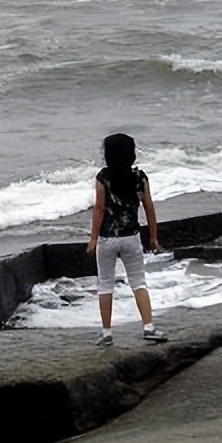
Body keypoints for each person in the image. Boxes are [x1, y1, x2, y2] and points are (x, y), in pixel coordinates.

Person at [85, 133, 168, 346]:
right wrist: (154, 237)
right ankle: (148, 327)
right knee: (138, 282)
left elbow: (99, 209)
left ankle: (106, 333)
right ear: (131, 154)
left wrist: (93, 238)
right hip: (132, 237)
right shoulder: (139, 177)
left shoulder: (103, 177)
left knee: (105, 284)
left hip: (107, 239)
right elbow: (148, 207)